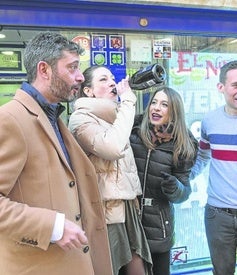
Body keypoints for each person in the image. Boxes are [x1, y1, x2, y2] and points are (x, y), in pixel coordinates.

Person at [0, 31, 113, 275]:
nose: (80, 77)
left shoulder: (53, 117)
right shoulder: (9, 119)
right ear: (44, 70)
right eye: (72, 68)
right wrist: (52, 226)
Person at [68, 65, 152, 275]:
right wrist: (129, 101)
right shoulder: (81, 119)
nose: (112, 83)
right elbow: (112, 147)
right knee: (109, 267)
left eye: (113, 78)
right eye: (103, 80)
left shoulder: (115, 116)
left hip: (127, 205)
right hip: (104, 212)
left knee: (138, 266)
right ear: (88, 91)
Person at [190, 60, 237, 275]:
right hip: (218, 216)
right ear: (221, 87)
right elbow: (203, 157)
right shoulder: (210, 121)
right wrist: (183, 180)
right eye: (236, 85)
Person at [130, 86, 198, 275]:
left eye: (164, 104)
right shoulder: (133, 131)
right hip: (130, 220)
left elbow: (184, 192)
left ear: (174, 111)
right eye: (154, 102)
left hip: (158, 225)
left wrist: (174, 187)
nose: (156, 108)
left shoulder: (182, 145)